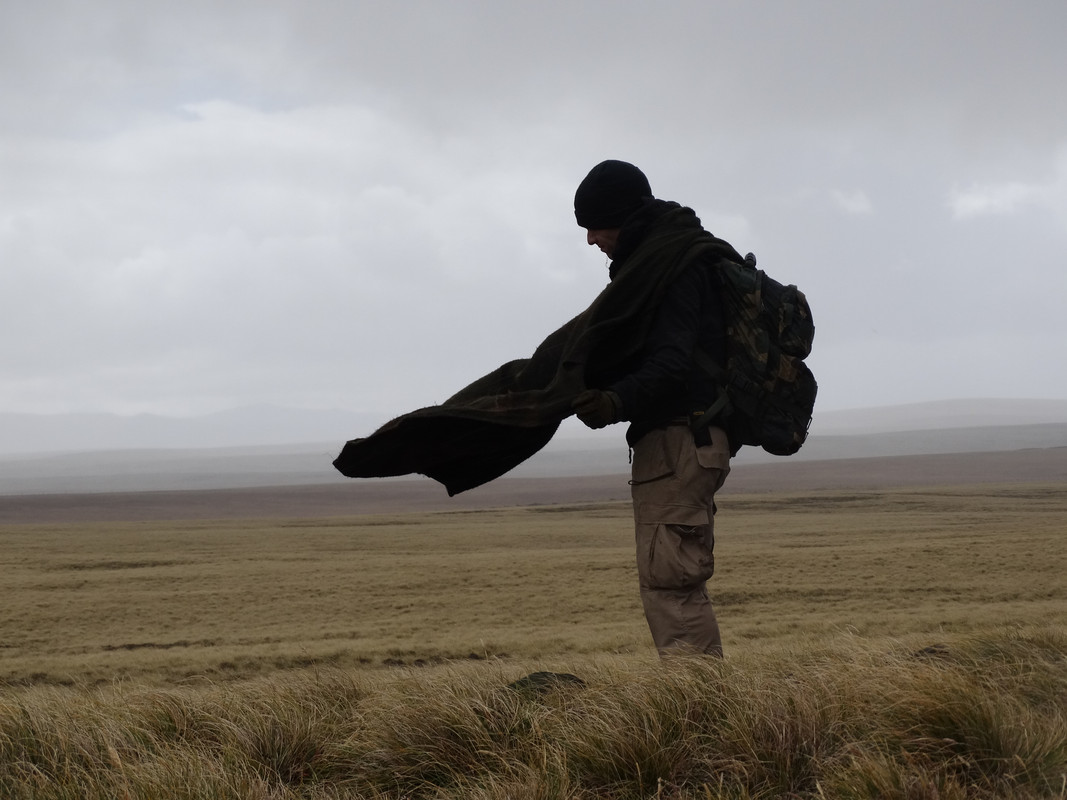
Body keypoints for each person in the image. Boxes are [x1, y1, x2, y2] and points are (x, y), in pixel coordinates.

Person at [569, 159, 738, 657]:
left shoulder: (673, 266)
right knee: (674, 580)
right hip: (689, 442)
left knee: (672, 585)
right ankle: (697, 697)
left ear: (622, 216)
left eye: (596, 225)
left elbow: (671, 364)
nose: (590, 240)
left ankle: (696, 702)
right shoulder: (669, 257)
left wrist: (615, 400)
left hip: (678, 442)